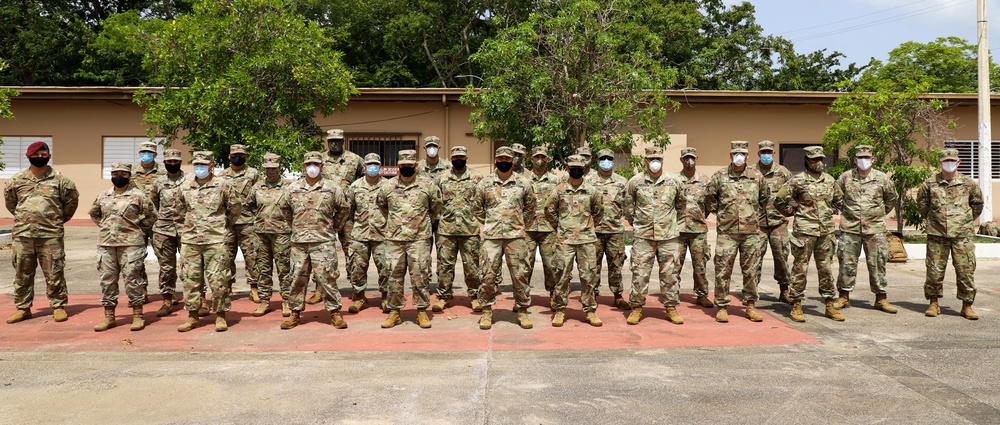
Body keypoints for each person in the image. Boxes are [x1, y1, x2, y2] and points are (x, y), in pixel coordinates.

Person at [4, 141, 80, 324]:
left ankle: (58, 306)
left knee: (54, 271)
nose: (40, 157)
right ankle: (23, 308)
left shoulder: (62, 181)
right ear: (28, 156)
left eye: (44, 154)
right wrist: (27, 219)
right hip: (23, 235)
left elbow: (70, 205)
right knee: (22, 273)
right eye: (36, 154)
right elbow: (11, 204)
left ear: (49, 156)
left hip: (50, 235)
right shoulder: (16, 180)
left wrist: (55, 221)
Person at [280, 151, 351, 329]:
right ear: (304, 167)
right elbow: (285, 210)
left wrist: (333, 228)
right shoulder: (292, 188)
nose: (312, 167)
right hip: (299, 243)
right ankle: (295, 313)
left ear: (322, 166)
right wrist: (296, 228)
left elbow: (343, 209)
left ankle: (335, 313)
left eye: (316, 164)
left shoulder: (332, 188)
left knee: (327, 278)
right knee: (297, 278)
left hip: (323, 242)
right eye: (309, 164)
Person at [774, 146, 844, 322]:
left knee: (826, 268)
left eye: (820, 159)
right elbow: (779, 200)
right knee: (800, 268)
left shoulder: (829, 180)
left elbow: (840, 200)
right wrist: (792, 211)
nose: (818, 162)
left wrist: (831, 212)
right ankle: (797, 304)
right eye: (814, 159)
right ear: (807, 161)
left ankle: (829, 304)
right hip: (804, 231)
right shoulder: (797, 181)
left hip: (826, 231)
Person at [917, 148, 984, 320]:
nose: (949, 164)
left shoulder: (969, 184)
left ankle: (967, 305)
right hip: (937, 235)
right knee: (934, 271)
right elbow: (923, 205)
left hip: (962, 236)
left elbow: (977, 205)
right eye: (945, 161)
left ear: (958, 162)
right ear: (940, 163)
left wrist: (963, 221)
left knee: (965, 271)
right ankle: (933, 303)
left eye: (952, 161)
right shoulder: (929, 183)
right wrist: (935, 220)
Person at [377, 150, 441, 329]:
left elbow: (435, 208)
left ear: (416, 165)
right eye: (403, 165)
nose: (406, 168)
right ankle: (395, 312)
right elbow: (382, 206)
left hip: (419, 239)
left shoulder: (427, 186)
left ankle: (421, 311)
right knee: (393, 277)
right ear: (398, 165)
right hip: (394, 240)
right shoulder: (387, 187)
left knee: (420, 276)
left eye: (409, 165)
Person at [88, 162, 156, 332]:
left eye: (123, 174)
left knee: (133, 279)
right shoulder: (103, 195)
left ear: (129, 175)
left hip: (132, 245)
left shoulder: (138, 195)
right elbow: (94, 213)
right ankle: (109, 316)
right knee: (107, 280)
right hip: (107, 244)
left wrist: (137, 230)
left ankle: (138, 315)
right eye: (115, 173)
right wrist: (106, 227)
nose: (119, 176)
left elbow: (151, 215)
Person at [474, 146, 537, 330]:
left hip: (515, 236)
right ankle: (486, 311)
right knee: (487, 276)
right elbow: (477, 208)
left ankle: (523, 310)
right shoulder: (484, 183)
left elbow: (531, 208)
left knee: (520, 275)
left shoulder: (524, 183)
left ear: (512, 161)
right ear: (495, 160)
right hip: (491, 237)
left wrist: (518, 224)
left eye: (507, 159)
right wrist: (489, 223)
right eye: (500, 159)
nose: (504, 162)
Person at [705, 141, 768, 323]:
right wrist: (724, 214)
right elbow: (710, 198)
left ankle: (750, 305)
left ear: (748, 156)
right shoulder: (719, 176)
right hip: (727, 232)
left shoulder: (757, 176)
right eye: (735, 153)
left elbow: (764, 198)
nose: (739, 157)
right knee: (723, 270)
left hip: (751, 233)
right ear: (730, 155)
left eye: (742, 154)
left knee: (751, 271)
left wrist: (752, 215)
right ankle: (722, 306)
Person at [832, 145, 900, 314]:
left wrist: (877, 214)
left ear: (873, 159)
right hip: (850, 228)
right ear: (855, 160)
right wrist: (848, 212)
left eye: (867, 158)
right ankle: (843, 297)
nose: (863, 161)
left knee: (877, 264)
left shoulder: (882, 178)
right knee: (846, 263)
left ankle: (881, 298)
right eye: (860, 158)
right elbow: (836, 196)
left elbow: (891, 198)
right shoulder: (845, 177)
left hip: (875, 229)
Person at [176, 151, 238, 332]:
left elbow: (234, 209)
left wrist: (221, 226)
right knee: (190, 279)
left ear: (212, 166)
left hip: (215, 240)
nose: (199, 168)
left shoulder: (223, 185)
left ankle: (220, 315)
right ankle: (193, 316)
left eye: (203, 165)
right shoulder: (185, 186)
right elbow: (180, 210)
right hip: (191, 241)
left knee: (218, 280)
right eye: (196, 164)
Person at [624, 146, 686, 325]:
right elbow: (628, 206)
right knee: (640, 273)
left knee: (670, 274)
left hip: (668, 237)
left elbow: (681, 205)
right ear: (645, 160)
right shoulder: (635, 182)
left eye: (657, 158)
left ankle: (671, 308)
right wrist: (638, 222)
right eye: (651, 158)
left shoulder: (674, 181)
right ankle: (636, 307)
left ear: (663, 160)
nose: (654, 162)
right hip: (643, 236)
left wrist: (673, 224)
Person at [545, 155, 605, 327]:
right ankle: (560, 310)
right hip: (565, 241)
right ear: (568, 168)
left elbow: (599, 212)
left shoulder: (592, 190)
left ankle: (590, 310)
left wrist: (587, 228)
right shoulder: (559, 190)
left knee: (588, 277)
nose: (576, 169)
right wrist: (561, 227)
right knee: (561, 276)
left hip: (586, 240)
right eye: (573, 167)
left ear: (585, 168)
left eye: (580, 166)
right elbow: (549, 211)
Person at [311, 129, 364, 304]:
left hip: (347, 213)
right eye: (331, 140)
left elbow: (363, 182)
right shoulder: (318, 160)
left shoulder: (355, 160)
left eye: (338, 140)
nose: (334, 143)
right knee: (320, 253)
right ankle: (319, 289)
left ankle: (357, 290)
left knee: (352, 251)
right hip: (323, 214)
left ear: (343, 141)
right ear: (327, 141)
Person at [433, 146, 484, 312]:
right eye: (455, 157)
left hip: (470, 230)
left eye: (461, 156)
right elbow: (434, 202)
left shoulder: (477, 177)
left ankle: (474, 296)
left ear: (466, 158)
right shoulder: (441, 178)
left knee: (472, 266)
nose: (458, 159)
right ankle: (443, 297)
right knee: (445, 266)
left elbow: (483, 202)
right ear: (451, 159)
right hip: (446, 230)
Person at [247, 153, 293, 317]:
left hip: (282, 234)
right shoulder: (257, 187)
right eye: (267, 168)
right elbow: (249, 205)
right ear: (264, 169)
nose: (271, 171)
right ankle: (265, 301)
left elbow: (294, 207)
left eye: (274, 168)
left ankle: (287, 301)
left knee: (284, 269)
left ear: (279, 168)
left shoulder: (289, 186)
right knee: (263, 269)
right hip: (261, 234)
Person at [346, 153, 390, 313]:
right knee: (357, 268)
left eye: (376, 165)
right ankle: (359, 298)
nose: (373, 167)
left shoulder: (388, 186)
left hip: (382, 234)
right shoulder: (355, 187)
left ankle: (385, 297)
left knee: (385, 268)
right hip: (360, 235)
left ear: (380, 167)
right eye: (370, 164)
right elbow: (349, 212)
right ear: (364, 167)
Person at [217, 144, 262, 302]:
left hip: (248, 222)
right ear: (229, 156)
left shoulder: (253, 174)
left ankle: (254, 288)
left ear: (246, 157)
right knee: (226, 256)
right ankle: (228, 286)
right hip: (228, 222)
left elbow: (259, 195)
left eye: (241, 155)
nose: (238, 157)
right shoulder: (222, 176)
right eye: (235, 154)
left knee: (252, 256)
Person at [751, 140, 794, 303]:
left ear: (774, 154)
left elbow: (793, 194)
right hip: (758, 224)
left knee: (781, 257)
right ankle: (751, 292)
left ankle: (784, 290)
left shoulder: (783, 172)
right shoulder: (752, 172)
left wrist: (789, 212)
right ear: (758, 154)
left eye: (769, 152)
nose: (766, 155)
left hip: (778, 223)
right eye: (763, 152)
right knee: (754, 257)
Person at [149, 148, 187, 317]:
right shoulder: (158, 183)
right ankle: (167, 300)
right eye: (169, 162)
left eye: (175, 161)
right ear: (164, 163)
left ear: (180, 162)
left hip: (187, 230)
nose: (172, 164)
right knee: (166, 268)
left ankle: (197, 300)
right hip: (163, 231)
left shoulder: (189, 181)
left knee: (190, 267)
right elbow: (152, 206)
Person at [674, 147, 713, 309]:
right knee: (674, 264)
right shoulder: (674, 180)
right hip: (678, 230)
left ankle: (701, 294)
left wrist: (699, 216)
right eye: (685, 158)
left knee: (700, 264)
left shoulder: (705, 180)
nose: (689, 161)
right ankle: (672, 294)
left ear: (697, 159)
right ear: (681, 160)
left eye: (691, 158)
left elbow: (710, 204)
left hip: (698, 230)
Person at [592, 148, 629, 309]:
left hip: (615, 231)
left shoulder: (622, 182)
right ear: (598, 161)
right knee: (593, 265)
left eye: (608, 159)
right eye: (602, 159)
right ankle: (591, 294)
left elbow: (628, 205)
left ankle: (618, 296)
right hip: (594, 231)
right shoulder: (589, 181)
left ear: (613, 162)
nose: (605, 161)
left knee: (616, 265)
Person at [524, 146, 560, 307]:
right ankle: (522, 298)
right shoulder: (523, 179)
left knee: (552, 265)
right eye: (537, 157)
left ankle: (553, 295)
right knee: (524, 265)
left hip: (548, 229)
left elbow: (561, 203)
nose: (540, 160)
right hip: (528, 228)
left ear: (547, 159)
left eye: (543, 157)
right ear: (531, 159)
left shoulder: (555, 180)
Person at [130, 141, 166, 302]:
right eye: (143, 152)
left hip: (159, 220)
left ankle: (167, 291)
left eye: (149, 153)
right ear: (139, 154)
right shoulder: (130, 172)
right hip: (137, 221)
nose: (146, 155)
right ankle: (142, 289)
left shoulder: (164, 172)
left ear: (155, 155)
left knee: (164, 256)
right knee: (137, 257)